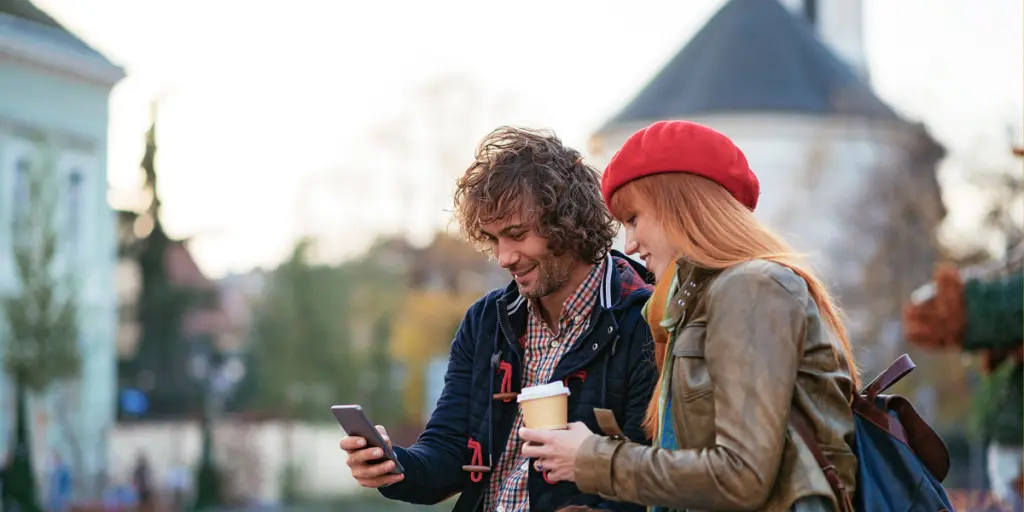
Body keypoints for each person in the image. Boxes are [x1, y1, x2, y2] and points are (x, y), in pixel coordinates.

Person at [520, 120, 860, 512]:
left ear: (679, 207)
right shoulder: (695, 305)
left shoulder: (751, 288)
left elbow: (741, 477)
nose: (629, 244)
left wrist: (593, 458)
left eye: (633, 219)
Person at [340, 126, 658, 512]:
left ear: (569, 222)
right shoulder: (485, 321)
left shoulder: (644, 320)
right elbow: (447, 450)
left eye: (517, 234)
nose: (504, 257)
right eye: (493, 239)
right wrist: (395, 466)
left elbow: (651, 478)